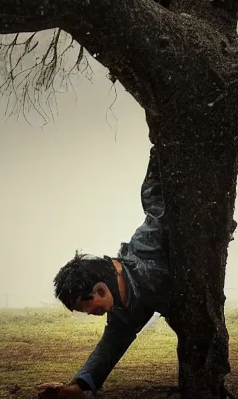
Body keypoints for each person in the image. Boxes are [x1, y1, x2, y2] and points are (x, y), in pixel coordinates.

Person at [36, 146, 172, 399]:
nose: (90, 314)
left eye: (86, 305)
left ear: (99, 289)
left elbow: (158, 206)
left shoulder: (146, 245)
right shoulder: (122, 311)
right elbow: (111, 345)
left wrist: (160, 155)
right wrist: (79, 386)